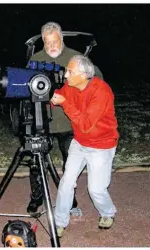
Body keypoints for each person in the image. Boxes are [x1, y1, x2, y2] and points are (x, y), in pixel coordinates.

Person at [26, 22, 103, 215]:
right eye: (47, 42)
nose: (52, 46)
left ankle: (71, 201)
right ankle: (36, 198)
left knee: (70, 165)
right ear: (43, 41)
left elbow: (97, 79)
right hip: (41, 121)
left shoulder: (75, 57)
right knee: (36, 163)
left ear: (62, 39)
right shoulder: (36, 58)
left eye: (55, 41)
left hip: (69, 122)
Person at [51, 55, 119, 237]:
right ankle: (59, 222)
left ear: (83, 75)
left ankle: (108, 212)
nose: (65, 76)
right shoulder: (70, 86)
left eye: (70, 72)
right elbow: (55, 98)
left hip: (101, 146)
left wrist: (64, 104)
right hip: (80, 143)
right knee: (66, 182)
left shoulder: (101, 91)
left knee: (96, 189)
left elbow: (86, 123)